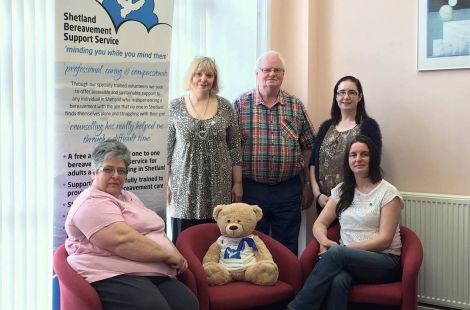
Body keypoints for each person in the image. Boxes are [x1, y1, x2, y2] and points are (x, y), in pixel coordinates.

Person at [65, 139, 198, 310]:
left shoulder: (128, 196)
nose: (115, 175)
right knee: (153, 306)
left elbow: (150, 230)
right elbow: (123, 241)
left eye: (121, 170)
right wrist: (168, 256)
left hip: (147, 268)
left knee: (188, 304)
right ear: (93, 173)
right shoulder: (91, 202)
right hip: (111, 272)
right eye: (108, 169)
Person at [287, 135, 403, 310]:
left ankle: (297, 307)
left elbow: (385, 240)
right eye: (353, 155)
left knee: (337, 255)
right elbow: (319, 224)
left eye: (364, 154)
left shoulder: (388, 193)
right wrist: (324, 242)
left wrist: (343, 250)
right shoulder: (342, 191)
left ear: (373, 158)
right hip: (347, 260)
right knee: (338, 281)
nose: (358, 159)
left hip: (384, 261)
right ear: (348, 160)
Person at [233, 50, 315, 255]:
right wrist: (235, 184)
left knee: (287, 246)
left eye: (277, 70)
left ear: (283, 74)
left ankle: (288, 286)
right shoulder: (240, 105)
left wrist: (306, 184)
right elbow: (231, 149)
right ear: (257, 73)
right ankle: (257, 286)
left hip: (288, 190)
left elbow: (308, 146)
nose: (272, 74)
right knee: (252, 244)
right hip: (252, 189)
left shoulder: (295, 106)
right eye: (267, 70)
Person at [167, 56, 242, 242]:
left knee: (215, 239)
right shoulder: (174, 106)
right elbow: (167, 149)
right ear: (190, 77)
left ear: (214, 79)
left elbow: (234, 147)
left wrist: (238, 183)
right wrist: (164, 184)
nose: (203, 79)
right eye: (198, 74)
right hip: (184, 184)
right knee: (184, 241)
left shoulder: (226, 106)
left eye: (209, 75)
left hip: (218, 183)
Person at [310, 75, 382, 217]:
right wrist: (317, 195)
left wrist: (346, 197)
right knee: (326, 238)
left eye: (352, 92)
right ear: (336, 97)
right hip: (324, 202)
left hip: (354, 202)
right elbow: (312, 164)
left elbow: (372, 164)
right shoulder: (326, 127)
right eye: (341, 92)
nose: (346, 97)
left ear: (360, 97)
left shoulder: (368, 126)